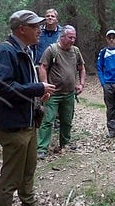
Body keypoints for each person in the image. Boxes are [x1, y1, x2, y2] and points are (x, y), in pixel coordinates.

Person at [0, 10, 57, 206]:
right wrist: (37, 88)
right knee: (11, 177)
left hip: (28, 123)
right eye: (35, 25)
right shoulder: (5, 51)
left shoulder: (25, 50)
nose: (40, 28)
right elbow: (2, 89)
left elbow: (22, 86)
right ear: (21, 29)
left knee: (28, 169)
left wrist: (39, 95)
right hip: (13, 127)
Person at [36, 25, 86, 159]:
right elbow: (43, 67)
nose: (73, 40)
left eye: (74, 37)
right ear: (62, 37)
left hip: (69, 93)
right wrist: (45, 86)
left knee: (67, 120)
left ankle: (65, 143)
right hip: (53, 94)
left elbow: (81, 68)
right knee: (47, 120)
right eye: (70, 37)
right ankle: (41, 148)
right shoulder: (52, 50)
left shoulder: (75, 51)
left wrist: (81, 84)